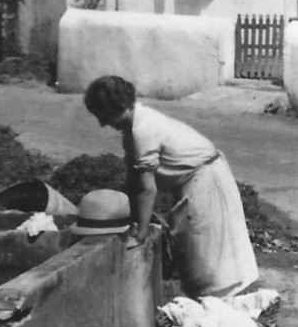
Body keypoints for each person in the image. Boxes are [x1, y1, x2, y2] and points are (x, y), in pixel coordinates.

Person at [83, 75, 260, 299]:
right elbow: (134, 179)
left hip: (205, 180)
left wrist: (141, 233)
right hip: (196, 179)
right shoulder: (134, 127)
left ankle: (220, 308)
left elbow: (147, 189)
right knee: (197, 252)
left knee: (209, 257)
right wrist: (130, 217)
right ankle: (212, 303)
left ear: (114, 108)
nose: (102, 124)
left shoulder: (143, 129)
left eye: (103, 116)